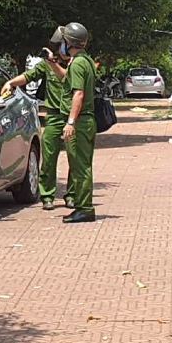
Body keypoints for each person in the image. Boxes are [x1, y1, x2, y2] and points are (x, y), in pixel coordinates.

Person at [2, 32, 74, 211]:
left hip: (73, 116)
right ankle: (48, 195)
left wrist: (53, 63)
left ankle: (72, 195)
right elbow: (29, 76)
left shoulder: (77, 63)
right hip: (54, 115)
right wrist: (11, 83)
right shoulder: (47, 64)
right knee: (49, 157)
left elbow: (66, 78)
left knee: (76, 158)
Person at [58, 22, 97, 224]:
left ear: (69, 42)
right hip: (85, 121)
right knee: (81, 165)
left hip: (80, 122)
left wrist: (71, 122)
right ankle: (83, 206)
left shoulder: (79, 63)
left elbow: (78, 94)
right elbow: (69, 79)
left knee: (80, 166)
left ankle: (84, 208)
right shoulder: (84, 61)